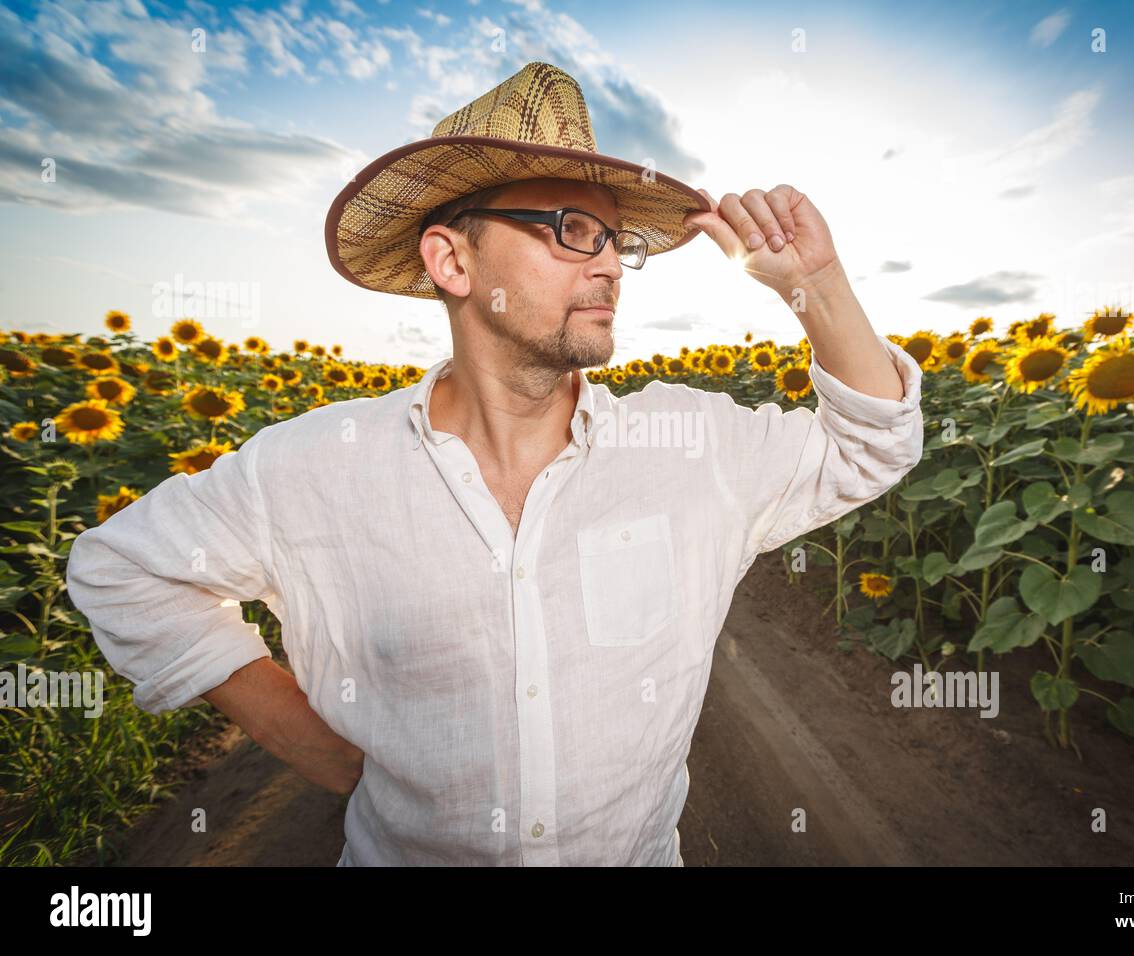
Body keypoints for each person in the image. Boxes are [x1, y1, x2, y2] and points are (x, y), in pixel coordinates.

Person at [65, 61, 924, 866]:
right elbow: (122, 569)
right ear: (453, 260)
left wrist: (817, 284)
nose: (607, 266)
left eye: (614, 241)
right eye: (570, 230)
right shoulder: (316, 466)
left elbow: (873, 442)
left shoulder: (691, 447)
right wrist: (316, 748)